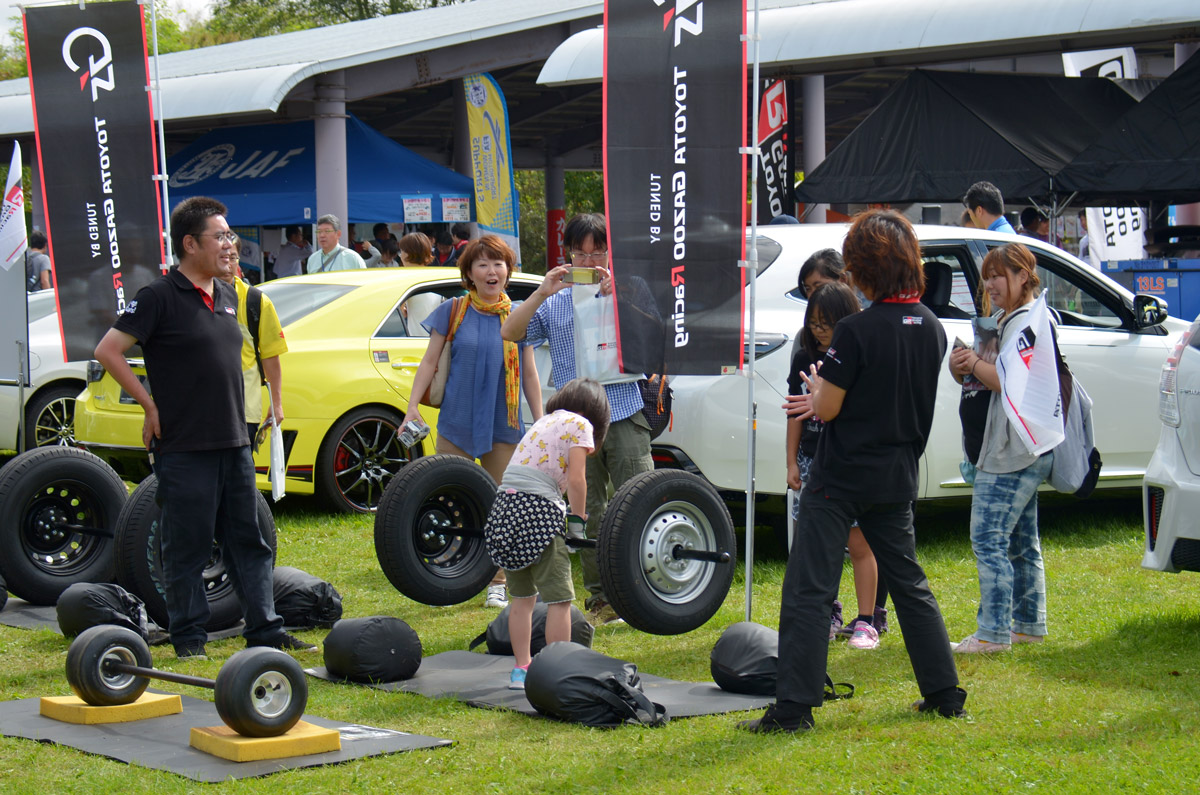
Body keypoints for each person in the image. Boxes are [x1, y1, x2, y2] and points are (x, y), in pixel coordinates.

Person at [741, 209, 964, 733]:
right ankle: (944, 694)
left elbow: (828, 407)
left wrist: (817, 389)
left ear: (863, 269)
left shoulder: (855, 330)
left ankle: (793, 709)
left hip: (839, 478)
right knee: (909, 583)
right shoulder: (932, 328)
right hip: (897, 474)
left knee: (809, 588)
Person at [93, 196, 315, 660]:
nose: (230, 244)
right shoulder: (158, 296)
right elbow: (108, 351)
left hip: (235, 440)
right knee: (186, 546)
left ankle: (265, 630)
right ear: (190, 243)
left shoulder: (232, 294)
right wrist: (149, 405)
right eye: (220, 236)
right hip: (184, 445)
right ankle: (189, 639)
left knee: (249, 542)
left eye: (230, 235)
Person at [502, 213, 653, 627]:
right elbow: (510, 332)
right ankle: (601, 598)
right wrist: (541, 291)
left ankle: (645, 591)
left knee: (638, 497)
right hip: (574, 422)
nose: (589, 261)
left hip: (623, 409)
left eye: (598, 251)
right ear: (567, 254)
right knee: (589, 509)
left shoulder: (629, 288)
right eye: (580, 253)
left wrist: (622, 298)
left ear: (610, 252)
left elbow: (658, 336)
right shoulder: (555, 301)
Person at [403, 234, 543, 609]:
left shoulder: (519, 315)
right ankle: (449, 575)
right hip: (457, 422)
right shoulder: (453, 311)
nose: (491, 271)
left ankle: (498, 581)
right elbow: (429, 362)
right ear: (469, 273)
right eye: (482, 264)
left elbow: (529, 374)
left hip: (503, 424)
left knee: (502, 505)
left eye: (498, 264)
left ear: (508, 271)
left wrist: (541, 422)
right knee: (450, 503)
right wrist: (412, 407)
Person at [947, 242, 1053, 654]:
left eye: (998, 276)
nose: (990, 284)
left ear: (1023, 276)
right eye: (987, 276)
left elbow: (1007, 381)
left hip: (1012, 450)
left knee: (988, 538)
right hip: (1016, 446)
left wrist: (972, 363)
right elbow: (986, 378)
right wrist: (963, 367)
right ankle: (1027, 625)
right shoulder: (1009, 319)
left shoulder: (1027, 322)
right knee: (1021, 542)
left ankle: (992, 634)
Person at [483, 377, 610, 690]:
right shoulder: (580, 424)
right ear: (595, 413)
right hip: (539, 510)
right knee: (559, 599)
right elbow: (578, 479)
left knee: (521, 599)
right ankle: (557, 669)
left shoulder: (543, 421)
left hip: (506, 507)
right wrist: (578, 519)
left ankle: (521, 669)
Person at [785, 282, 885, 650]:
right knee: (812, 545)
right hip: (812, 459)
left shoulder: (856, 355)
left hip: (847, 462)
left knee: (858, 543)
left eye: (826, 323)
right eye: (813, 323)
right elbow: (794, 413)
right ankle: (825, 614)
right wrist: (791, 462)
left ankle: (867, 620)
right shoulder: (803, 358)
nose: (819, 331)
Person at [218, 236, 287, 446]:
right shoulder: (194, 298)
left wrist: (276, 404)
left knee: (241, 463)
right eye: (222, 257)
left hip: (245, 408)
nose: (228, 264)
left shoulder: (256, 301)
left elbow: (270, 354)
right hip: (205, 410)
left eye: (233, 258)